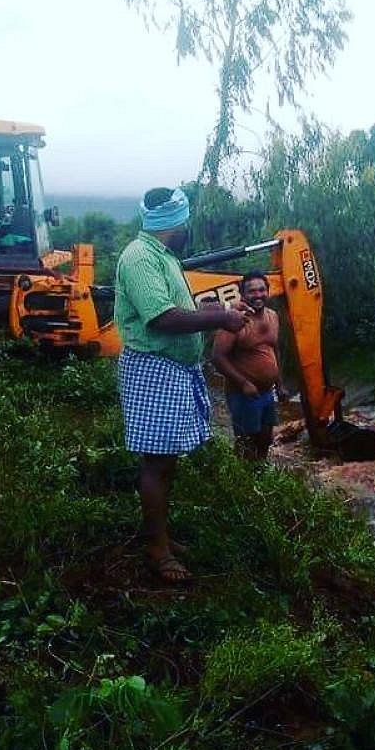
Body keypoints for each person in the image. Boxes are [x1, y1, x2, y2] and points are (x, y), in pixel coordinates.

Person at [114, 186, 248, 583]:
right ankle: (156, 550)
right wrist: (221, 317)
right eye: (186, 220)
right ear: (176, 221)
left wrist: (218, 310)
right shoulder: (140, 258)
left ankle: (160, 535)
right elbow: (163, 319)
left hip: (171, 369)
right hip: (154, 368)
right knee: (156, 462)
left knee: (166, 460)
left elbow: (182, 310)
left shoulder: (163, 256)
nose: (188, 226)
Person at [211, 271, 287, 461]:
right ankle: (243, 480)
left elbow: (274, 351)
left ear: (268, 291)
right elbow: (218, 357)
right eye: (251, 291)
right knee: (246, 441)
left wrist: (280, 383)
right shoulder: (234, 320)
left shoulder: (273, 316)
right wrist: (243, 383)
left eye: (262, 290)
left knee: (265, 438)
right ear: (242, 295)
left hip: (267, 393)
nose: (258, 295)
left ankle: (260, 475)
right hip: (242, 394)